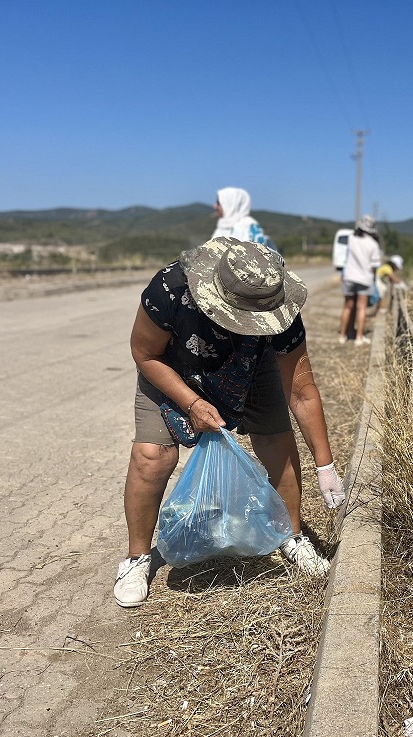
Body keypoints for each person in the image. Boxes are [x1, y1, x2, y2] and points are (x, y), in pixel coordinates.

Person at [114, 237, 346, 608]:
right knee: (151, 456)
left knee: (275, 441)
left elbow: (301, 391)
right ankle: (136, 558)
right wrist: (190, 402)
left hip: (253, 366)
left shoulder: (280, 307)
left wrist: (326, 464)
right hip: (173, 368)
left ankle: (292, 534)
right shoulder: (171, 290)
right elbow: (144, 353)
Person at [338, 214, 382, 345]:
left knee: (347, 307)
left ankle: (342, 335)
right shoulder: (373, 245)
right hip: (364, 278)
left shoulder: (351, 239)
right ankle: (359, 337)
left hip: (349, 277)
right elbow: (374, 266)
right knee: (361, 308)